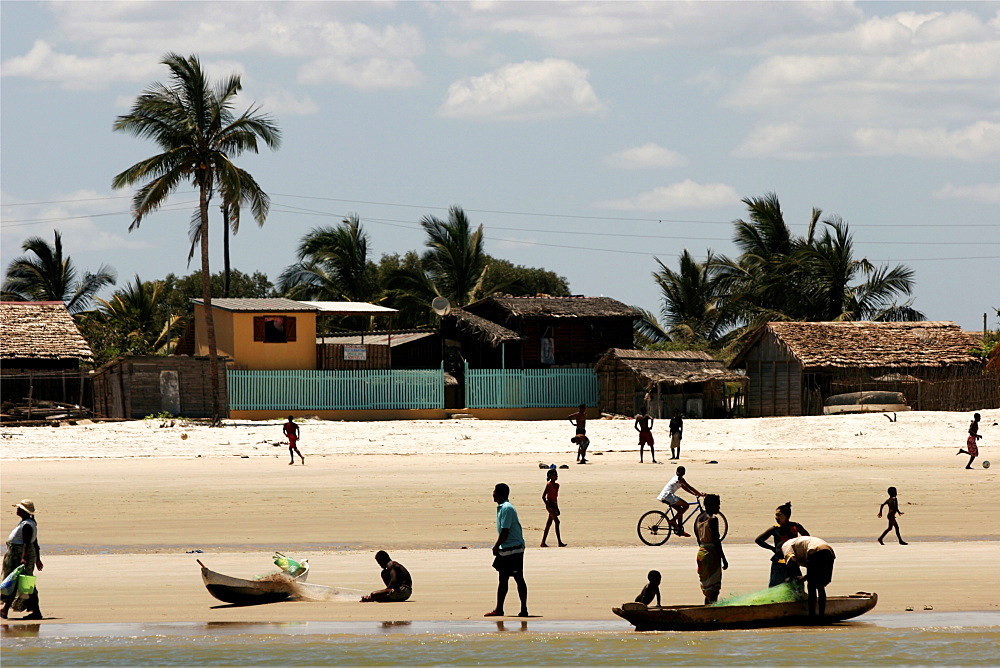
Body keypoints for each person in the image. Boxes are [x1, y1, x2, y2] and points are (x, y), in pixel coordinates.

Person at [486, 483, 528, 617]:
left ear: (501, 494)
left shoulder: (507, 509)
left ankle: (524, 609)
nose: (493, 494)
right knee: (503, 578)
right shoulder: (502, 508)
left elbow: (505, 531)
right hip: (507, 548)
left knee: (518, 578)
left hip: (514, 548)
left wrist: (496, 546)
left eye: (495, 491)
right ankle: (499, 609)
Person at [1, 500, 43, 620]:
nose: (17, 510)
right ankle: (35, 611)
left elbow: (27, 543)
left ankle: (5, 609)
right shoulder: (28, 523)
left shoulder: (27, 525)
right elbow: (35, 543)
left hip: (19, 555)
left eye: (19, 508)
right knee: (22, 582)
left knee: (17, 581)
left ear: (24, 511)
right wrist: (37, 559)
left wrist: (24, 558)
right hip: (20, 554)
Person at [754, 501, 810, 587]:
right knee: (775, 586)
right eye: (776, 515)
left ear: (786, 516)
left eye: (778, 515)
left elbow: (807, 538)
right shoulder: (775, 529)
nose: (776, 517)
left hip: (793, 561)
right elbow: (759, 540)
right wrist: (773, 548)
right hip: (779, 561)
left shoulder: (795, 526)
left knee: (796, 584)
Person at [782, 535, 836, 619]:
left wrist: (790, 577)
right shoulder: (797, 544)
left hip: (815, 552)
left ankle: (812, 615)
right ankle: (821, 615)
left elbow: (793, 561)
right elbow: (814, 568)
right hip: (829, 552)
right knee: (820, 585)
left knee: (811, 586)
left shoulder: (785, 547)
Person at [694, 494, 727, 604]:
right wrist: (723, 558)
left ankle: (707, 609)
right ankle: (712, 613)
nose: (719, 508)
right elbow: (716, 541)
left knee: (707, 588)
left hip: (701, 553)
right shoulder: (713, 520)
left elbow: (698, 538)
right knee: (714, 589)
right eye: (717, 505)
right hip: (711, 554)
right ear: (711, 505)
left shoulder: (698, 518)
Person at [656, 465, 703, 537]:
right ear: (684, 473)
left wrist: (694, 494)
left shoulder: (676, 478)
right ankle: (672, 521)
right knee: (686, 505)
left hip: (663, 496)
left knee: (680, 510)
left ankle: (680, 530)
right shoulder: (681, 479)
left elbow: (685, 488)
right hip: (668, 496)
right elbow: (690, 487)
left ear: (676, 472)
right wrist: (700, 494)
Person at [540, 467, 567, 548]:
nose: (556, 476)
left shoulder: (557, 486)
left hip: (554, 505)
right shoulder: (549, 485)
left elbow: (556, 498)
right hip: (550, 505)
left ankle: (543, 542)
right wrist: (548, 506)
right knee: (557, 522)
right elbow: (543, 496)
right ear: (551, 476)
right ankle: (559, 542)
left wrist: (557, 507)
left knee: (549, 524)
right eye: (555, 475)